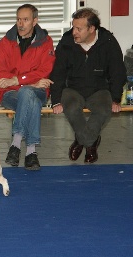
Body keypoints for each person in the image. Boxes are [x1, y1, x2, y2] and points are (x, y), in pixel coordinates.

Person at [50, 8, 126, 164]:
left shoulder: (108, 42)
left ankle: (81, 140)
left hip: (99, 90)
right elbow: (57, 73)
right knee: (71, 108)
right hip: (72, 89)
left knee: (104, 111)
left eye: (79, 29)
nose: (74, 32)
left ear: (92, 29)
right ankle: (91, 144)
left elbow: (118, 72)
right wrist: (56, 100)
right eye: (73, 27)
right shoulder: (66, 42)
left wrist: (116, 99)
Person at [0, 4, 55, 171]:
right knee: (31, 100)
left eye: (26, 20)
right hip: (10, 94)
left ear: (35, 21)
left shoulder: (46, 42)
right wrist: (29, 82)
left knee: (28, 93)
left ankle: (16, 144)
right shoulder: (5, 43)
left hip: (38, 90)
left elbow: (45, 70)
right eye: (18, 19)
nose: (20, 24)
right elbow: (2, 75)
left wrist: (18, 80)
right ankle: (31, 153)